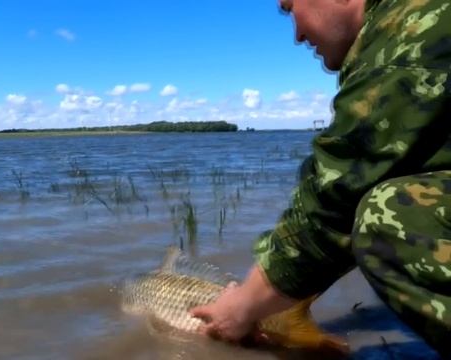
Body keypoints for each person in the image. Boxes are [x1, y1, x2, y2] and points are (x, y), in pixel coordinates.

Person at [190, 0, 451, 356]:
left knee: (389, 213)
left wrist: (242, 308)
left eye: (289, 6)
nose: (297, 34)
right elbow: (353, 184)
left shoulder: (406, 38)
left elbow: (336, 201)